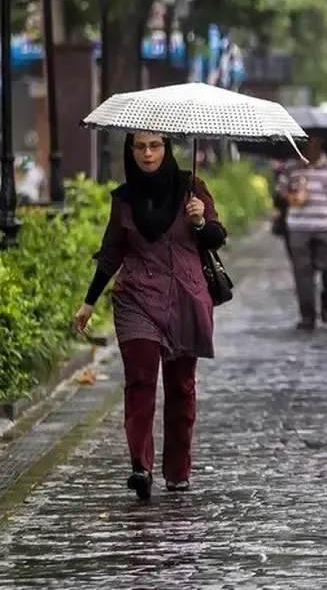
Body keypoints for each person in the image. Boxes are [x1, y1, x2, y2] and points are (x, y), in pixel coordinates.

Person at [74, 133, 228, 500]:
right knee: (140, 382)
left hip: (184, 298)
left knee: (180, 387)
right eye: (140, 146)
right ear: (131, 151)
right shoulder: (124, 200)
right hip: (136, 299)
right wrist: (89, 301)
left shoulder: (192, 187)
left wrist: (200, 220)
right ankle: (140, 467)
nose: (147, 153)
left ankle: (178, 471)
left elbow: (218, 237)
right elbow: (112, 252)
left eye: (155, 145)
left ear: (167, 148)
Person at [275, 136, 327, 330]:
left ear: (320, 143)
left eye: (314, 141)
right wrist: (294, 195)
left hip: (326, 224)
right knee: (303, 272)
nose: (310, 146)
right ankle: (307, 315)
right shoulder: (291, 167)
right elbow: (281, 192)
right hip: (299, 226)